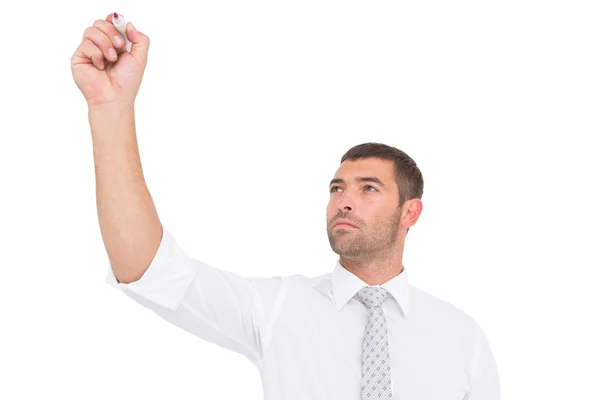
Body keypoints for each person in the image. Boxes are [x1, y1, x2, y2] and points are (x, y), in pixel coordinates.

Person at [71, 14, 501, 400]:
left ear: (410, 213)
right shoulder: (280, 308)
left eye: (368, 189)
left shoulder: (462, 338)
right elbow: (147, 269)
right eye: (337, 188)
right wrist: (110, 109)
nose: (344, 201)